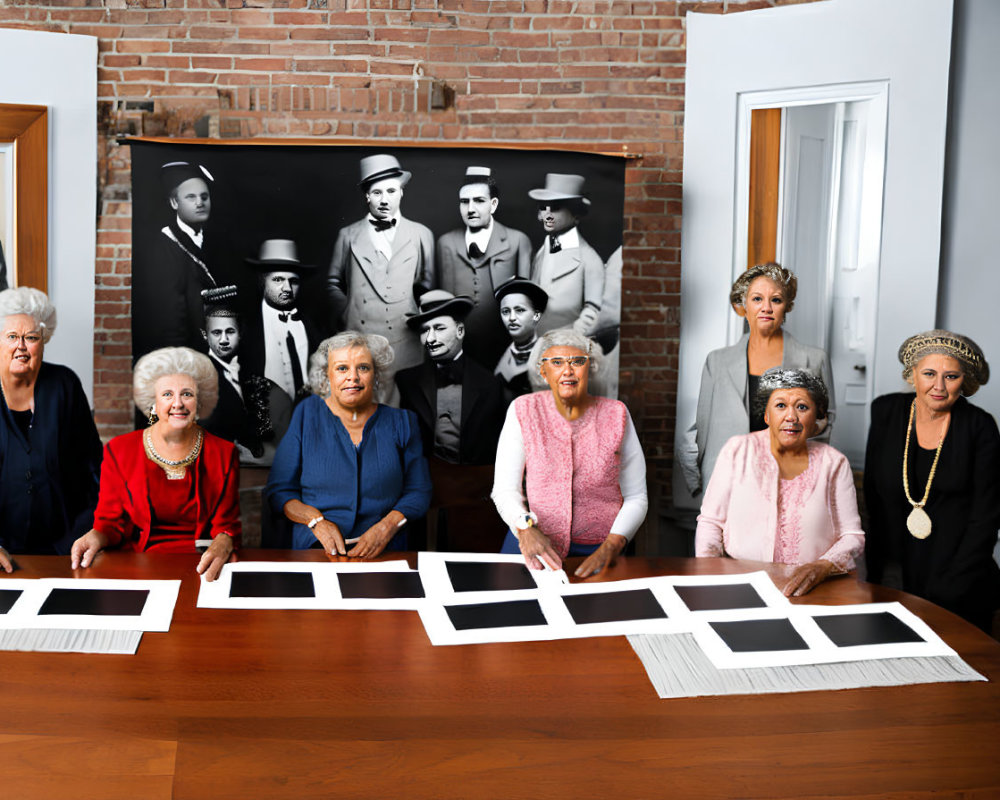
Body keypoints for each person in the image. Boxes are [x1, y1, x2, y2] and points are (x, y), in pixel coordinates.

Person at [864, 330, 1000, 631]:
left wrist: (951, 587)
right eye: (929, 373)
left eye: (951, 376)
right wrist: (883, 572)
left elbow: (986, 518)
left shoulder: (981, 427)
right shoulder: (885, 411)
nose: (939, 386)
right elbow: (874, 495)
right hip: (892, 573)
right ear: (912, 374)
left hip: (960, 577)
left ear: (964, 381)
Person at [70, 347, 239, 582]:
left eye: (187, 394)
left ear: (199, 402)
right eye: (167, 394)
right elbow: (110, 523)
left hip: (202, 565)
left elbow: (227, 525)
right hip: (139, 564)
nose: (178, 403)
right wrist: (95, 536)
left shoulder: (223, 452)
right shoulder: (119, 451)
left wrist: (225, 541)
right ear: (153, 402)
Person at [492, 329, 647, 578]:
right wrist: (525, 529)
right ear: (543, 372)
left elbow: (637, 496)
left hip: (601, 546)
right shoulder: (523, 410)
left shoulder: (617, 414)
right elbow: (505, 490)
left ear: (591, 367)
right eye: (556, 362)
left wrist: (613, 545)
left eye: (577, 362)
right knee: (511, 610)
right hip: (532, 539)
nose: (568, 370)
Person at [696, 368, 863, 597]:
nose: (791, 417)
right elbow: (710, 522)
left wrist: (822, 567)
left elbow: (852, 536)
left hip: (815, 588)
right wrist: (710, 577)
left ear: (816, 419)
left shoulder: (834, 463)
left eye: (802, 407)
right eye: (780, 406)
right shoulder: (738, 450)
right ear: (766, 415)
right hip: (739, 585)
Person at [266, 332, 432, 555]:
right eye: (342, 368)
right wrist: (316, 522)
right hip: (316, 547)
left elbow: (419, 491)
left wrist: (387, 527)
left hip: (385, 548)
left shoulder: (402, 422)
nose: (352, 377)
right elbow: (280, 491)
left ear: (376, 375)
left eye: (363, 368)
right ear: (327, 376)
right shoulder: (307, 415)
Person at [679, 262, 834, 498]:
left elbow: (826, 422)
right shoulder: (717, 362)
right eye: (757, 299)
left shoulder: (814, 359)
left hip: (790, 485)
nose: (766, 308)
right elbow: (703, 429)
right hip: (726, 487)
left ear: (787, 307)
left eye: (776, 300)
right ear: (743, 306)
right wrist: (699, 485)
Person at [0, 288, 102, 572]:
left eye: (31, 337)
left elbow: (93, 468)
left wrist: (81, 533)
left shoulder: (64, 385)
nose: (21, 346)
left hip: (64, 548)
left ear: (44, 342)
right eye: (12, 337)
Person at [327, 154, 435, 392]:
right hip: (360, 341)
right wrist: (347, 313)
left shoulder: (421, 234)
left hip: (406, 343)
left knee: (405, 413)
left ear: (402, 192)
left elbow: (428, 286)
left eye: (391, 191)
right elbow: (332, 282)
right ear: (367, 196)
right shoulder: (348, 235)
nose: (384, 200)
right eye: (377, 193)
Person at [132, 161, 237, 357]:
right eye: (191, 197)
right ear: (174, 203)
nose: (200, 203)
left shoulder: (220, 243)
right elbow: (170, 318)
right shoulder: (164, 246)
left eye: (204, 197)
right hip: (189, 351)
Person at [436, 166, 532, 368]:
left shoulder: (517, 241)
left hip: (504, 346)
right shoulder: (446, 243)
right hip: (460, 348)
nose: (471, 209)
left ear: (493, 204)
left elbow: (527, 301)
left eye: (479, 201)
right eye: (464, 202)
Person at [242, 239, 322, 403]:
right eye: (278, 280)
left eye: (293, 281)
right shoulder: (245, 328)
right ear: (262, 281)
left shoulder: (313, 327)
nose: (287, 289)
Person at [528, 173, 605, 336]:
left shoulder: (590, 259)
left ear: (576, 214)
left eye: (555, 208)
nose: (547, 215)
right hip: (534, 343)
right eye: (543, 207)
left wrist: (569, 341)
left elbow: (593, 311)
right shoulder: (541, 252)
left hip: (565, 350)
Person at [198, 302, 268, 459]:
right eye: (216, 333)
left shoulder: (253, 372)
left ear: (240, 333)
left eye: (230, 332)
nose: (224, 340)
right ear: (205, 335)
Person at [493, 277, 548, 400]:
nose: (512, 318)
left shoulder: (553, 358)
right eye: (506, 311)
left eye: (520, 310)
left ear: (536, 315)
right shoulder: (497, 361)